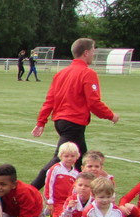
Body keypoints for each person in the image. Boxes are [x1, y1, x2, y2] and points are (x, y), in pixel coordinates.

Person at [31, 37, 118, 189]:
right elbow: (93, 102)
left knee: (81, 161)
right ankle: (29, 191)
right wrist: (111, 115)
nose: (94, 54)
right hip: (74, 122)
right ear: (86, 52)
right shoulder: (87, 73)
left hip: (61, 121)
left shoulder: (61, 73)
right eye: (93, 50)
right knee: (61, 159)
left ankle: (84, 192)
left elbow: (50, 100)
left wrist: (41, 121)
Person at [43, 142, 80, 217]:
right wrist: (50, 202)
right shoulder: (55, 169)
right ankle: (49, 211)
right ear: (61, 156)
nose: (69, 158)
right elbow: (49, 185)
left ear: (77, 157)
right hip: (56, 202)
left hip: (68, 202)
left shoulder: (76, 174)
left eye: (72, 156)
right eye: (66, 156)